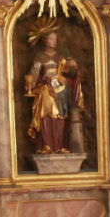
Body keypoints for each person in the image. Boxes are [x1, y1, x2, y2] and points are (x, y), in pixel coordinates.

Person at [24, 24, 84, 154]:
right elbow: (33, 76)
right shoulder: (40, 57)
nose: (54, 42)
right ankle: (46, 145)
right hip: (46, 89)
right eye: (51, 39)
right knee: (46, 115)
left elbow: (69, 73)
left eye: (55, 39)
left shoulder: (60, 57)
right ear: (45, 40)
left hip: (60, 91)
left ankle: (60, 145)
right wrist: (33, 82)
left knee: (60, 118)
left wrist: (73, 67)